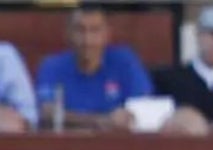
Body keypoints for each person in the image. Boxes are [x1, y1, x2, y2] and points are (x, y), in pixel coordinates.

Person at [34, 3, 153, 132]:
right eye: (80, 30)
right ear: (67, 33)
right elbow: (46, 114)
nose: (87, 40)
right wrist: (99, 121)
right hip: (69, 145)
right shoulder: (52, 66)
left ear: (107, 34)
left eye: (94, 30)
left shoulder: (125, 61)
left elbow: (143, 107)